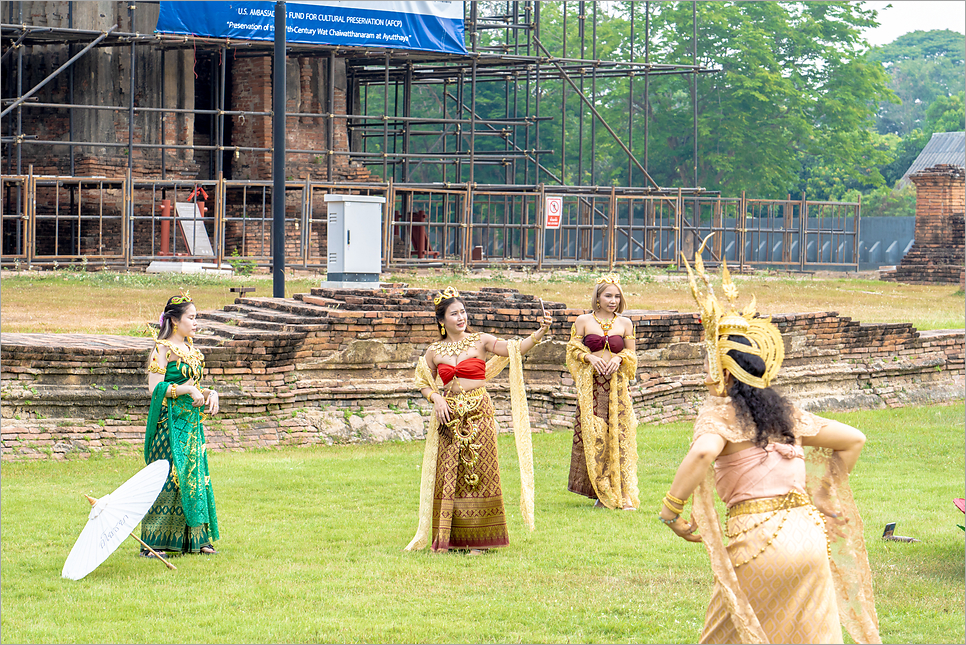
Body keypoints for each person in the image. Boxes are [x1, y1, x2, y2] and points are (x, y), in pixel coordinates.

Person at [659, 238, 880, 644]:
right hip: (809, 538)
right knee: (804, 634)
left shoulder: (718, 412)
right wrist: (824, 493)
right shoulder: (787, 414)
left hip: (758, 539)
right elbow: (854, 439)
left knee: (727, 634)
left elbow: (705, 451)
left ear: (723, 371)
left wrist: (670, 510)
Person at [406, 286, 553, 553]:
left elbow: (514, 349)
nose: (461, 317)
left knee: (480, 472)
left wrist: (538, 334)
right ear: (442, 320)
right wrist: (436, 398)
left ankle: (480, 540)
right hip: (448, 416)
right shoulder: (433, 351)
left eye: (463, 312)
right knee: (450, 473)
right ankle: (450, 539)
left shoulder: (481, 340)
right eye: (454, 313)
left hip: (479, 412)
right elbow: (422, 382)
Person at [140, 291, 220, 557]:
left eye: (196, 318)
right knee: (168, 480)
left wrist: (210, 393)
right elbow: (155, 389)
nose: (196, 323)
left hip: (192, 425)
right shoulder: (162, 349)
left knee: (195, 477)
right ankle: (155, 542)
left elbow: (195, 388)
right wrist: (188, 391)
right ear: (175, 321)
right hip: (169, 425)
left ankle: (197, 540)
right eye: (191, 317)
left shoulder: (192, 351)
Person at [565, 274, 640, 510]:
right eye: (608, 295)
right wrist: (588, 357)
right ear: (597, 297)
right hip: (593, 388)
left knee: (618, 436)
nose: (613, 300)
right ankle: (600, 491)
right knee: (594, 435)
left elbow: (632, 356)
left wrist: (619, 360)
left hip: (616, 388)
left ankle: (621, 492)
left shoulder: (625, 324)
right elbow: (572, 350)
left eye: (617, 296)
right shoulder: (583, 321)